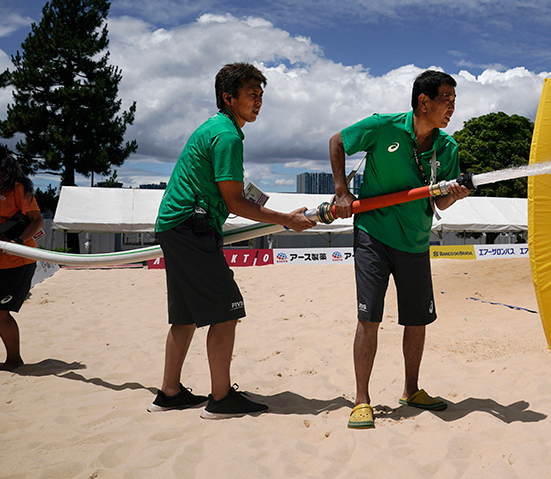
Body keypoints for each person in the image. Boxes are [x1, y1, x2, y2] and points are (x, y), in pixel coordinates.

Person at [151, 62, 315, 419]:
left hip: (174, 225)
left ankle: (169, 392)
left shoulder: (215, 129)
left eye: (261, 95)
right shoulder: (225, 135)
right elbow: (235, 202)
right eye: (251, 95)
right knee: (227, 312)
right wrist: (287, 220)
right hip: (191, 228)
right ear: (228, 98)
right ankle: (221, 399)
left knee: (185, 317)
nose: (258, 101)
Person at [329, 70, 471, 429]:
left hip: (416, 240)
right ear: (423, 102)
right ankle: (362, 399)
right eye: (446, 100)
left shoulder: (448, 147)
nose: (452, 108)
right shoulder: (384, 126)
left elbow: (441, 204)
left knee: (417, 319)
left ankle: (411, 389)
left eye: (454, 101)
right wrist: (342, 191)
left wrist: (453, 196)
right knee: (369, 317)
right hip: (373, 235)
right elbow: (337, 141)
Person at [0, 138, 44, 371]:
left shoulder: (17, 186)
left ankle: (14, 360)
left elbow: (37, 220)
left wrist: (18, 242)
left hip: (16, 260)